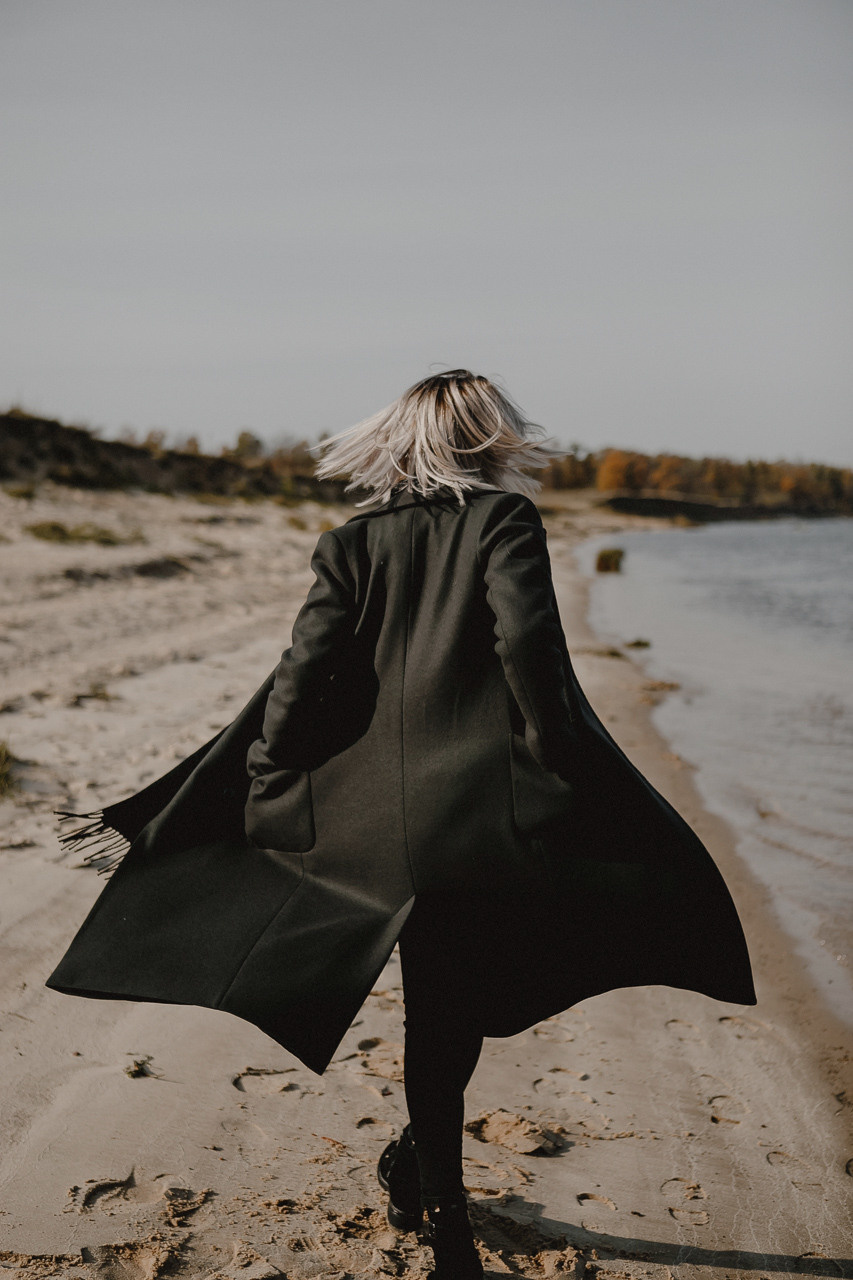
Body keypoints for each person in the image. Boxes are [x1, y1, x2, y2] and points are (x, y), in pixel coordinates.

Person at [48, 370, 755, 1280]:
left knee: (441, 990)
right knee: (448, 1000)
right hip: (476, 823)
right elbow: (529, 652)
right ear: (488, 439)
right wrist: (561, 767)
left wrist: (270, 779)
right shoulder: (505, 523)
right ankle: (443, 1216)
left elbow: (302, 678)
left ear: (399, 442)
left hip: (363, 826)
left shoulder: (350, 542)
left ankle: (431, 1186)